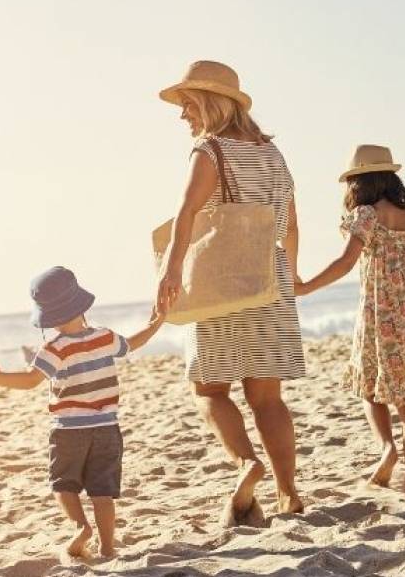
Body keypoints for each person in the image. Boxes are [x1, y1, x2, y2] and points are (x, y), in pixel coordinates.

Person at [154, 60, 307, 523]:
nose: (183, 116)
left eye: (187, 106)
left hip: (223, 282)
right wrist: (292, 277)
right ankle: (288, 492)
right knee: (268, 397)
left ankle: (246, 463)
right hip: (271, 279)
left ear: (207, 102)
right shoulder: (273, 154)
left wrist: (170, 270)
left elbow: (187, 212)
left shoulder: (210, 149)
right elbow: (293, 225)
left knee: (209, 388)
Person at [0, 266, 165, 559]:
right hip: (107, 429)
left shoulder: (54, 348)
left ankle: (81, 528)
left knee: (63, 485)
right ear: (79, 303)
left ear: (47, 316)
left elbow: (29, 381)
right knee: (102, 492)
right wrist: (157, 322)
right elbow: (134, 343)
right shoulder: (104, 337)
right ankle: (108, 547)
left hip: (68, 431)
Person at [295, 144, 405, 494]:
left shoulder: (365, 216)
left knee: (369, 389)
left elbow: (345, 263)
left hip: (377, 319)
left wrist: (306, 288)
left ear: (359, 183)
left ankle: (387, 448)